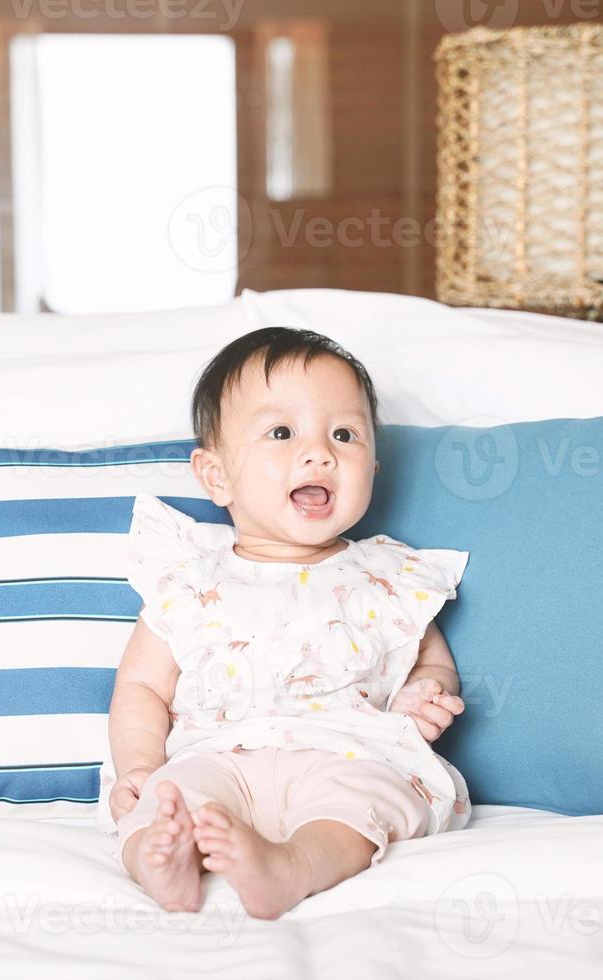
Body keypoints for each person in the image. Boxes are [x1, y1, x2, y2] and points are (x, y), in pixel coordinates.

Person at [98, 326, 471, 919]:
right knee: (169, 801)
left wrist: (429, 692)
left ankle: (292, 865)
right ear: (216, 476)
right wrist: (139, 766)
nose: (319, 452)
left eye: (344, 434)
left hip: (347, 753)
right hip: (216, 757)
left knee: (366, 802)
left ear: (372, 467)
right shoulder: (191, 582)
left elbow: (429, 659)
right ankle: (159, 860)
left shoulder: (385, 574)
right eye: (281, 432)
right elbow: (141, 685)